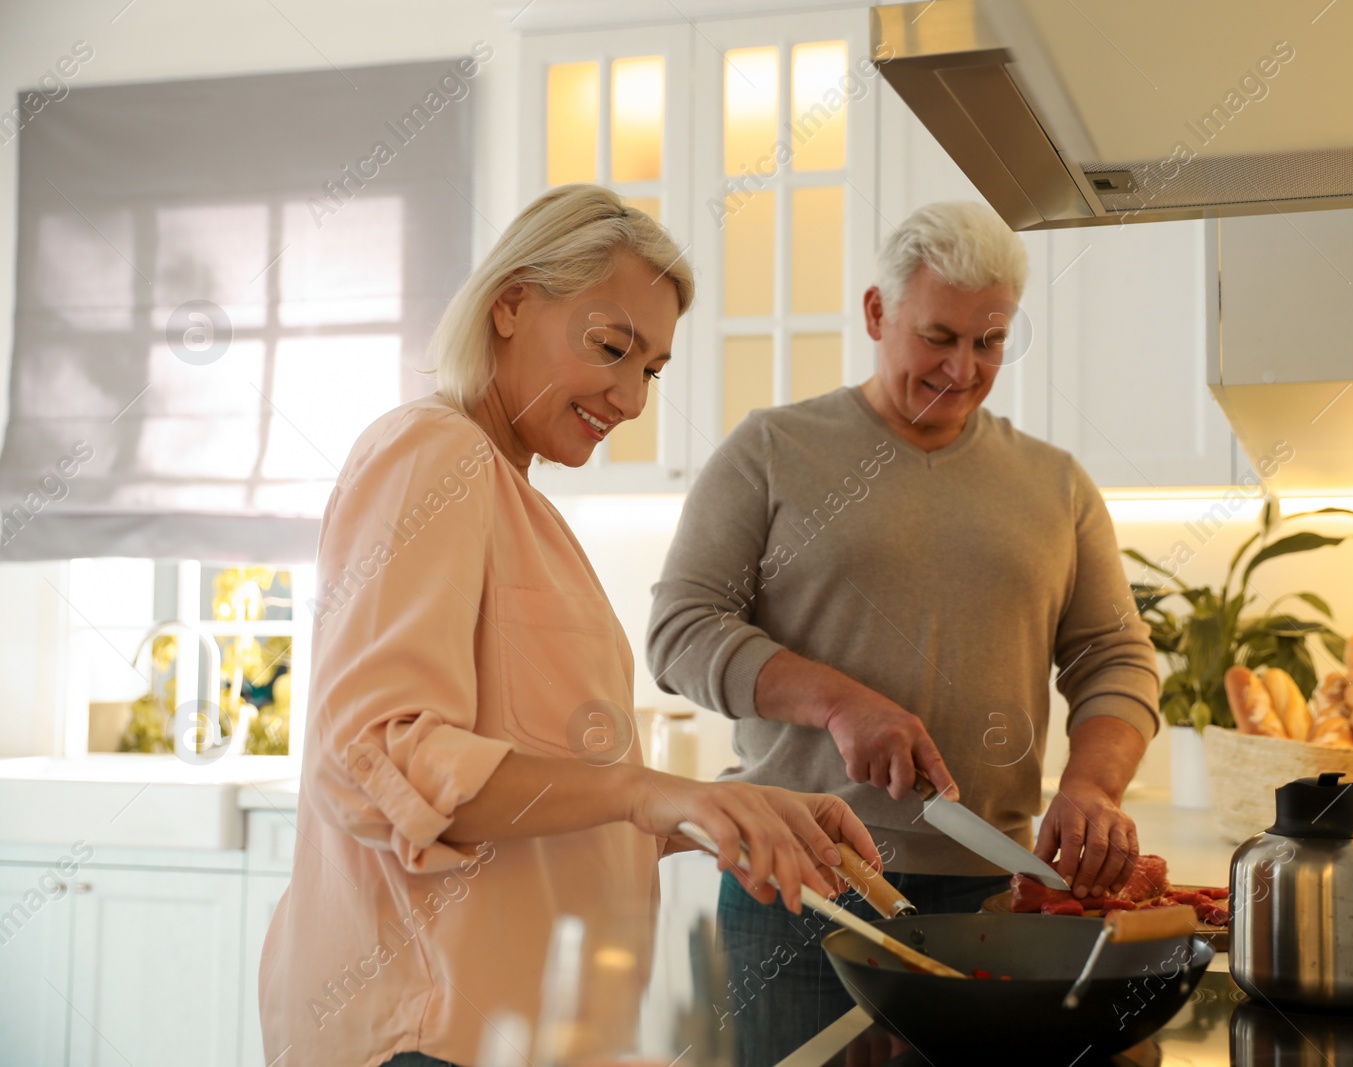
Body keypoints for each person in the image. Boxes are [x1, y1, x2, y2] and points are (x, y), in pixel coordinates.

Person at [259, 184, 879, 1067]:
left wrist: (722, 813)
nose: (631, 396)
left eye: (652, 369)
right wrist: (651, 792)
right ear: (511, 303)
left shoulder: (511, 494)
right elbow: (373, 760)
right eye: (611, 347)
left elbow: (538, 793)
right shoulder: (431, 454)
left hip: (515, 1034)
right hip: (427, 1038)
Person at [647, 201, 1161, 1065]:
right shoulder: (772, 449)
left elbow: (1115, 657)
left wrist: (1094, 784)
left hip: (993, 906)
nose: (963, 368)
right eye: (940, 336)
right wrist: (838, 704)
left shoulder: (1056, 484)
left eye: (989, 342)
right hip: (801, 889)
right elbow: (680, 630)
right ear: (878, 314)